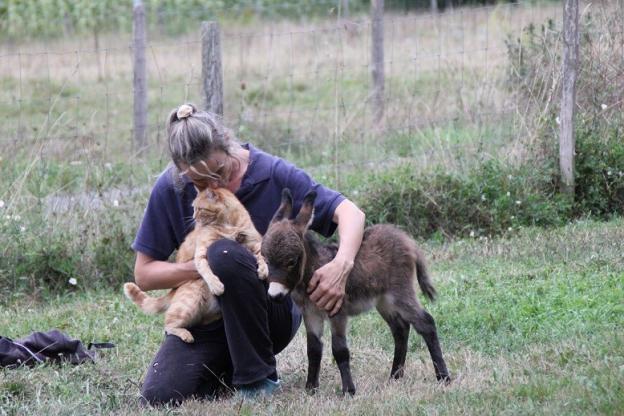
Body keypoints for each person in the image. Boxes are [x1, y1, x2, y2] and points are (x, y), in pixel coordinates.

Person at [131, 103, 365, 406]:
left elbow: (351, 213)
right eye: (198, 182)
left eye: (218, 171)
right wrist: (203, 268)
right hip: (209, 315)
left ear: (228, 145)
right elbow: (144, 274)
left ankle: (258, 378)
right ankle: (230, 372)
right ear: (181, 172)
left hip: (270, 313)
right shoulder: (170, 188)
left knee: (225, 252)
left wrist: (341, 266)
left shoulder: (272, 172)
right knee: (159, 396)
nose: (212, 185)